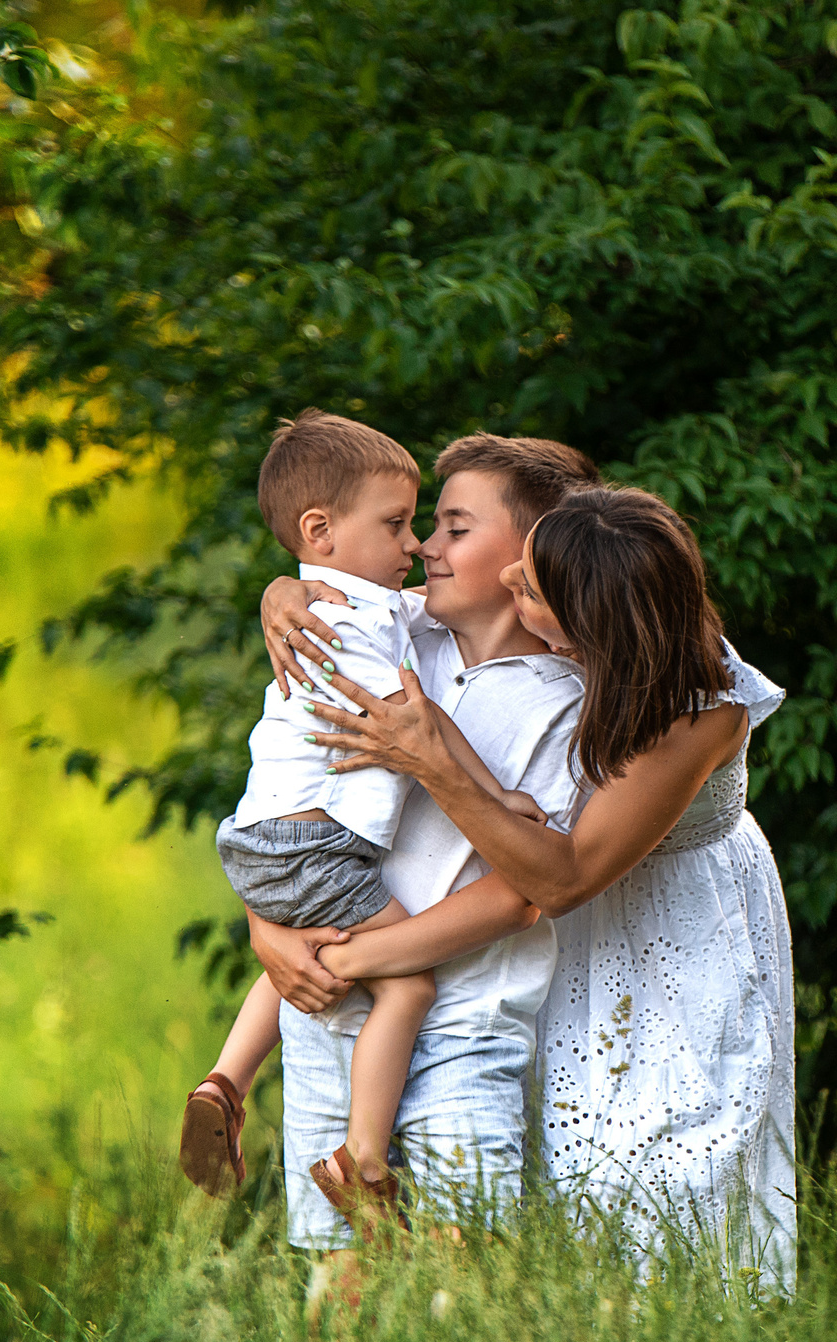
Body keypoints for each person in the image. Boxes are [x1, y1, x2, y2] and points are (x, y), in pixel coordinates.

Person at [293, 486, 799, 1287]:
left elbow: (564, 878)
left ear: (591, 620)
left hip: (676, 935)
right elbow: (348, 597)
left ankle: (689, 1330)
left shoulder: (701, 709)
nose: (507, 585)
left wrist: (431, 761)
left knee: (673, 1159)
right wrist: (280, 595)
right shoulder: (565, 631)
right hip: (577, 935)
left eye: (528, 587)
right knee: (565, 1157)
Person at [241, 434, 602, 1281]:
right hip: (332, 1018)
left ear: (532, 557)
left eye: (453, 529)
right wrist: (280, 589)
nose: (424, 546)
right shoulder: (392, 632)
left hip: (468, 1020)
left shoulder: (567, 703)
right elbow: (285, 796)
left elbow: (520, 895)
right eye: (421, 525)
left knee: (461, 1265)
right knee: (340, 1272)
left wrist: (348, 957)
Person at [177, 412, 550, 1235]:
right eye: (401, 524)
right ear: (321, 530)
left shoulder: (364, 612)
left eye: (439, 526)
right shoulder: (349, 624)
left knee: (308, 949)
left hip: (271, 840)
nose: (416, 545)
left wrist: (284, 583)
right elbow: (421, 728)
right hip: (315, 850)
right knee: (405, 985)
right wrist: (495, 796)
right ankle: (362, 1160)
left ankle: (226, 1081)